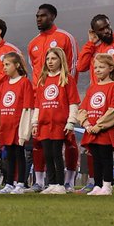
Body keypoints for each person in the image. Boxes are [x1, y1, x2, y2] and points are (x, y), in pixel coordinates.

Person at [77, 14, 114, 191]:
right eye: (101, 29)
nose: (106, 31)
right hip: (96, 103)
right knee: (94, 141)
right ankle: (95, 182)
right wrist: (90, 43)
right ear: (95, 32)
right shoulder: (95, 48)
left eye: (107, 26)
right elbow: (80, 67)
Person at [26, 5, 77, 191]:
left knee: (65, 147)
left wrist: (64, 94)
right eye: (37, 16)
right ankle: (44, 182)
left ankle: (68, 182)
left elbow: (72, 66)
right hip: (42, 107)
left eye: (43, 16)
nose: (39, 19)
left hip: (60, 107)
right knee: (42, 148)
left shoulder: (65, 37)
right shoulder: (33, 44)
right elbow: (35, 71)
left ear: (53, 16)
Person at [33, 47, 80, 195]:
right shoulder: (43, 80)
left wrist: (71, 121)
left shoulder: (67, 79)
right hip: (44, 123)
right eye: (48, 59)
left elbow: (73, 102)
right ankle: (51, 183)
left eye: (53, 58)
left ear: (61, 60)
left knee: (57, 153)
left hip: (59, 123)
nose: (50, 62)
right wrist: (35, 123)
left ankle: (60, 183)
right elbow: (38, 105)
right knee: (47, 154)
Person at [78, 53, 114, 196]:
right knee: (95, 158)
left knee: (105, 157)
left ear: (110, 68)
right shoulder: (92, 88)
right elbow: (82, 109)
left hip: (104, 131)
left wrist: (99, 125)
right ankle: (97, 185)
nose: (97, 70)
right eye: (95, 67)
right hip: (91, 130)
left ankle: (107, 185)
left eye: (101, 67)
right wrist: (86, 124)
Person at [0, 52, 34, 194]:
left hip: (18, 126)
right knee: (8, 156)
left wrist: (25, 130)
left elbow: (28, 107)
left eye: (7, 64)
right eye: (3, 65)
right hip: (6, 126)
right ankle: (9, 183)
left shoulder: (24, 82)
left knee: (19, 154)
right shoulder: (3, 84)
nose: (4, 68)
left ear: (17, 65)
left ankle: (21, 183)